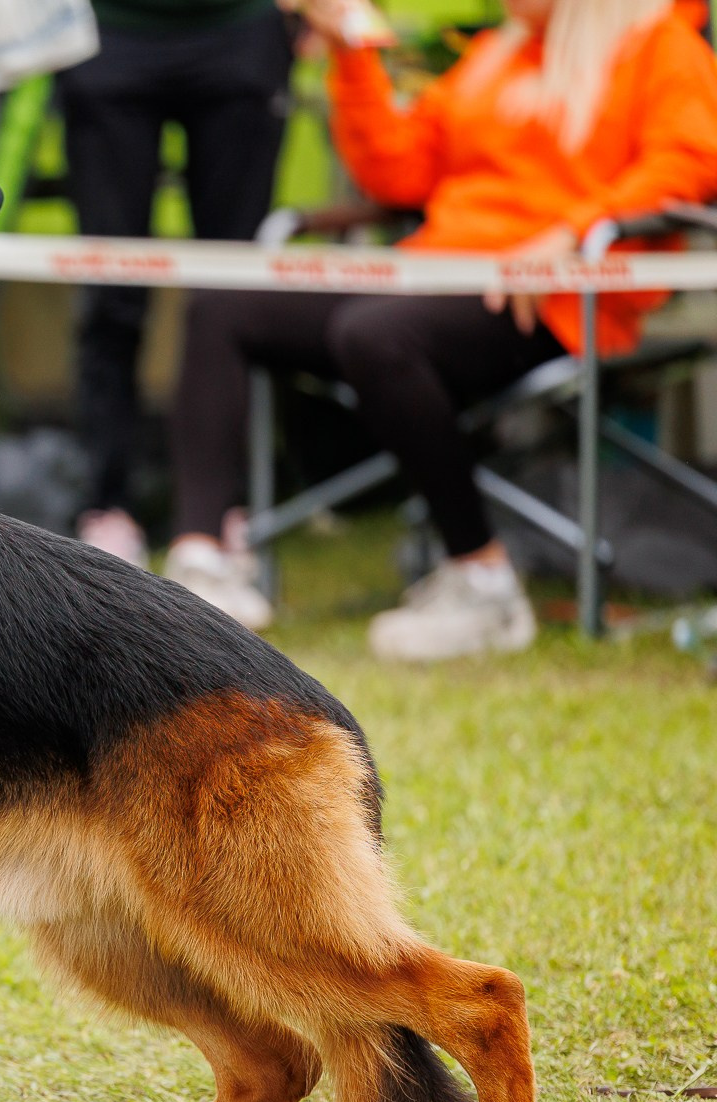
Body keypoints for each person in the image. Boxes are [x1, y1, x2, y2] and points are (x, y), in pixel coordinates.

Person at [161, 0, 717, 659]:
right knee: (226, 301)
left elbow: (689, 163)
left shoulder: (662, 47)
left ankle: (481, 577)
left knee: (378, 334)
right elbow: (397, 171)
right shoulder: (493, 56)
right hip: (433, 274)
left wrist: (570, 233)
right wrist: (351, 54)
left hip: (557, 300)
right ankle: (202, 564)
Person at [55, 0, 298, 566]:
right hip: (107, 34)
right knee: (111, 296)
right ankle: (108, 506)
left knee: (233, 299)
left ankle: (220, 513)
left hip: (240, 33)